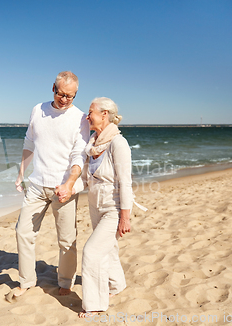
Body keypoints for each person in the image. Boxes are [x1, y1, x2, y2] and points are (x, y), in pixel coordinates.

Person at [7, 71, 90, 300]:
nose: (65, 99)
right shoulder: (38, 110)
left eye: (70, 96)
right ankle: (26, 281)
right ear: (53, 88)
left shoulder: (80, 118)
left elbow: (78, 156)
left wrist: (69, 184)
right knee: (23, 231)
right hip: (36, 185)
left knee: (66, 239)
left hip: (64, 188)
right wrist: (21, 173)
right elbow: (29, 142)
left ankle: (65, 281)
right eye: (62, 94)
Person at [77, 97, 147, 318]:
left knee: (91, 252)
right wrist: (67, 188)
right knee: (109, 249)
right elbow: (87, 179)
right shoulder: (93, 142)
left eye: (91, 112)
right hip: (95, 205)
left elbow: (125, 182)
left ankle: (95, 305)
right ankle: (117, 285)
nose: (87, 116)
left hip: (113, 208)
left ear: (104, 114)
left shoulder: (118, 143)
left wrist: (125, 217)